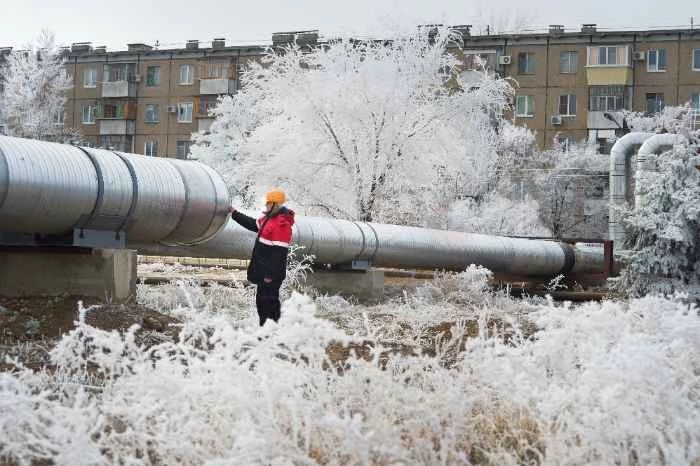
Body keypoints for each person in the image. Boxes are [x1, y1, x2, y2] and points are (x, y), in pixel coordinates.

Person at [230, 189, 294, 326]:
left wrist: (270, 275)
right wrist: (234, 213)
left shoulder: (282, 224)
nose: (266, 206)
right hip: (264, 272)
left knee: (270, 304)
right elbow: (253, 224)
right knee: (261, 302)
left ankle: (273, 331)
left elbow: (279, 254)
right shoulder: (269, 219)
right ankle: (265, 329)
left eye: (268, 203)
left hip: (271, 275)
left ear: (275, 204)